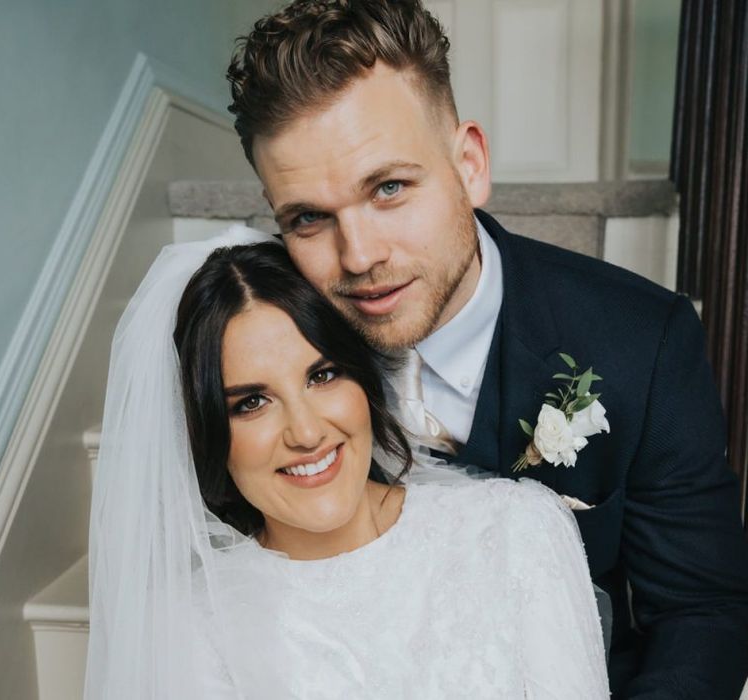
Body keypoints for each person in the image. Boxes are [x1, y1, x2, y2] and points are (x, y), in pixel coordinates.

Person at [225, 1, 748, 697]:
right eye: (309, 218)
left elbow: (701, 611)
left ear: (469, 164)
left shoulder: (641, 342)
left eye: (389, 188)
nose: (358, 257)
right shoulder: (261, 343)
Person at [84, 225, 609, 698]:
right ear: (208, 435)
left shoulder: (516, 531)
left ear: (366, 379)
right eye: (251, 402)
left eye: (322, 375)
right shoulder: (189, 626)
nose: (307, 432)